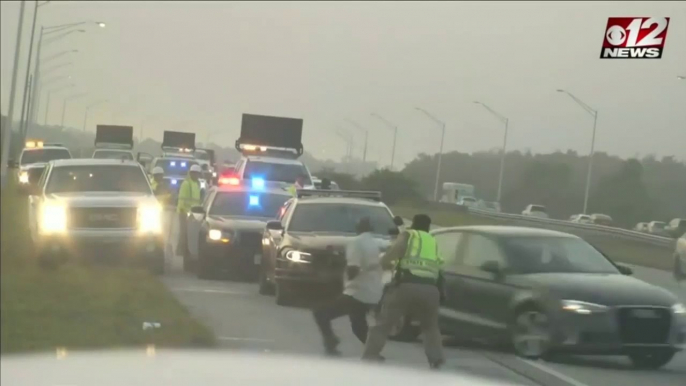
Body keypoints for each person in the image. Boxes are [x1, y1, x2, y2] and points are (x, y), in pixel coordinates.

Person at [362, 214, 445, 369]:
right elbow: (440, 268)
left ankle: (370, 355)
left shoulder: (409, 235)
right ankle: (436, 358)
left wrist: (385, 264)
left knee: (383, 324)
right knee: (430, 327)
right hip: (431, 290)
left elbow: (392, 254)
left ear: (413, 224)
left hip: (407, 286)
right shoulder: (433, 241)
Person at [312, 217, 384, 356]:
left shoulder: (355, 242)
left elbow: (353, 270)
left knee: (320, 313)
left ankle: (330, 341)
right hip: (373, 292)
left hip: (357, 292)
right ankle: (374, 352)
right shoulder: (375, 244)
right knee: (358, 325)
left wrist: (336, 271)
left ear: (357, 228)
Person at [176, 164, 202, 260]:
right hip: (184, 212)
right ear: (190, 173)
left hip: (193, 213)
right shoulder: (186, 183)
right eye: (194, 173)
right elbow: (182, 199)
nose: (196, 175)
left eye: (197, 174)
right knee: (184, 232)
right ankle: (180, 251)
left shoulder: (197, 184)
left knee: (190, 233)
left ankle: (185, 250)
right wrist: (183, 210)